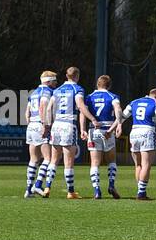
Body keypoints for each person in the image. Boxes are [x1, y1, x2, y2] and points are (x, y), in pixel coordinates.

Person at [52, 67, 98, 199]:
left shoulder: (57, 90)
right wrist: (92, 118)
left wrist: (48, 124)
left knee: (53, 160)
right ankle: (70, 191)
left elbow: (50, 108)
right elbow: (81, 106)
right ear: (77, 76)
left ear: (66, 75)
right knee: (68, 161)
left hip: (56, 124)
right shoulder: (77, 89)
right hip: (68, 124)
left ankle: (46, 186)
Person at [82, 76, 123, 199]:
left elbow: (83, 113)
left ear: (97, 84)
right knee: (111, 160)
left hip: (93, 130)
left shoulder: (88, 97)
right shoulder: (112, 96)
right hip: (107, 130)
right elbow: (118, 111)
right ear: (109, 85)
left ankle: (97, 190)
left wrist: (82, 129)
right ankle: (111, 185)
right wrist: (117, 125)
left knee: (95, 163)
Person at [122, 87, 156, 201]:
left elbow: (123, 116)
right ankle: (141, 193)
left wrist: (117, 126)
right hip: (147, 131)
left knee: (138, 165)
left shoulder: (134, 102)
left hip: (134, 132)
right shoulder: (155, 103)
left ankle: (140, 191)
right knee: (146, 164)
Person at [24, 71, 57, 198]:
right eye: (54, 81)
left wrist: (31, 124)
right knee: (48, 159)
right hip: (40, 125)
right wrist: (44, 125)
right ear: (48, 81)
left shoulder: (33, 93)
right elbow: (43, 107)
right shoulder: (46, 92)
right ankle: (37, 185)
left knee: (34, 159)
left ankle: (28, 189)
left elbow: (27, 113)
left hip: (31, 125)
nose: (55, 83)